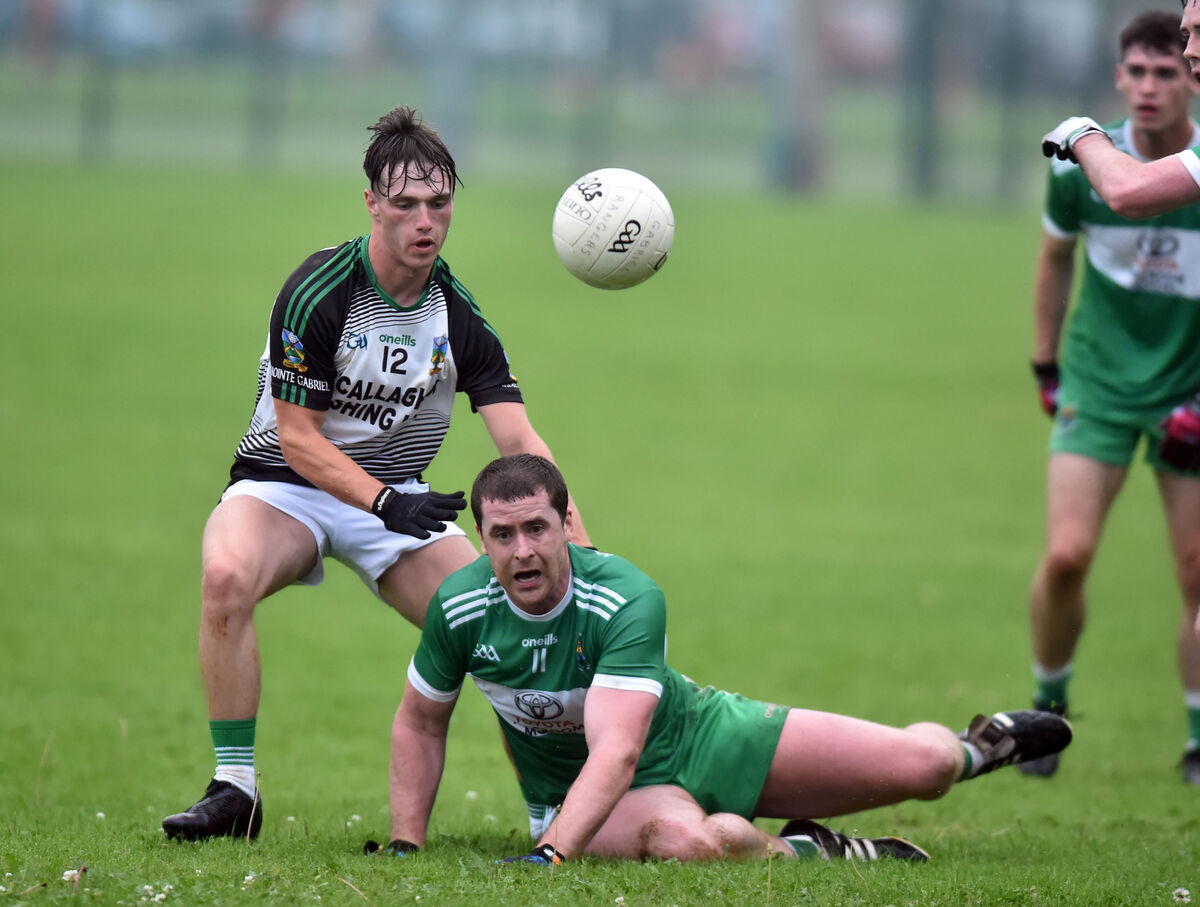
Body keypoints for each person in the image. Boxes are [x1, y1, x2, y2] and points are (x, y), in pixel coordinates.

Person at [161, 107, 592, 842]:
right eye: (405, 203)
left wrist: (579, 550)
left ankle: (559, 810)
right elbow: (298, 439)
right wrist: (382, 500)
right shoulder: (319, 290)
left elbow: (519, 438)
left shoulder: (456, 315)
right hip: (284, 487)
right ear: (371, 203)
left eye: (439, 203)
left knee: (510, 623)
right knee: (226, 576)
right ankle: (235, 790)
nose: (425, 221)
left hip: (398, 501)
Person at [378, 454, 1072, 864]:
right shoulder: (460, 608)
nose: (523, 550)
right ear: (481, 537)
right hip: (592, 799)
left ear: (566, 526)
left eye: (537, 527)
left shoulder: (625, 596)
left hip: (702, 733)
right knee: (694, 844)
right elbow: (419, 721)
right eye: (503, 535)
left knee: (927, 766)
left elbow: (618, 747)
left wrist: (549, 858)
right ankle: (812, 851)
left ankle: (977, 746)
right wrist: (408, 845)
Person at [1031, 11, 1200, 785]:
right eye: (1138, 70)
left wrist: (1079, 133)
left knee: (1195, 572)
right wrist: (1045, 363)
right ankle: (1047, 704)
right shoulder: (1075, 177)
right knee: (1067, 555)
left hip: (1186, 389)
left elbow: (1129, 190)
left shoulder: (1134, 163)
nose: (1152, 83)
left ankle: (1196, 738)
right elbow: (1055, 258)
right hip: (1098, 384)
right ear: (1118, 75)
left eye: (1170, 67)